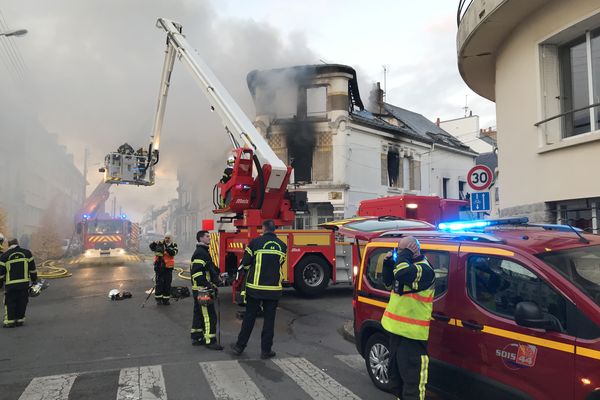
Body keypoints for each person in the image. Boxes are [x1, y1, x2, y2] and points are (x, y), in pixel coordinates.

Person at [382, 236, 435, 400]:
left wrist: (404, 255)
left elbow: (403, 273)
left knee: (413, 385)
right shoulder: (406, 266)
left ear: (413, 249)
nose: (399, 253)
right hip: (397, 332)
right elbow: (389, 284)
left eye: (402, 250)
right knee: (395, 380)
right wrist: (388, 264)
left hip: (413, 336)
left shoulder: (424, 270)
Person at [231, 219, 287, 359]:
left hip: (255, 288)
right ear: (274, 229)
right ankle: (266, 351)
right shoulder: (282, 246)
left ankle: (240, 346)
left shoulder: (255, 243)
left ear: (263, 228)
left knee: (249, 318)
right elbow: (280, 264)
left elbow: (245, 263)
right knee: (269, 320)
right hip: (273, 289)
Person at [190, 230, 223, 350]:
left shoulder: (203, 252)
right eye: (207, 236)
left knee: (199, 314)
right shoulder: (200, 253)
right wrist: (208, 285)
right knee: (209, 315)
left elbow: (209, 268)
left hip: (199, 288)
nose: (210, 238)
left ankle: (197, 337)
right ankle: (210, 340)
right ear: (201, 238)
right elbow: (197, 273)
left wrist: (218, 276)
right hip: (202, 289)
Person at [0, 238, 37, 328]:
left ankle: (10, 322)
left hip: (10, 285)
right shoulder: (27, 253)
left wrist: (0, 284)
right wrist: (34, 280)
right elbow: (32, 269)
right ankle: (20, 320)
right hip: (24, 284)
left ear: (8, 245)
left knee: (10, 302)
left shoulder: (4, 256)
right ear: (18, 243)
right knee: (22, 301)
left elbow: (1, 273)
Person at [149, 233, 178, 305]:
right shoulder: (160, 243)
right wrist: (154, 243)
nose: (167, 239)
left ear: (171, 238)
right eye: (165, 238)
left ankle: (166, 299)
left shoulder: (174, 245)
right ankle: (158, 299)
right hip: (159, 267)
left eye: (168, 238)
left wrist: (166, 248)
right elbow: (152, 248)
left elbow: (173, 253)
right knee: (159, 283)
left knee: (167, 283)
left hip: (168, 268)